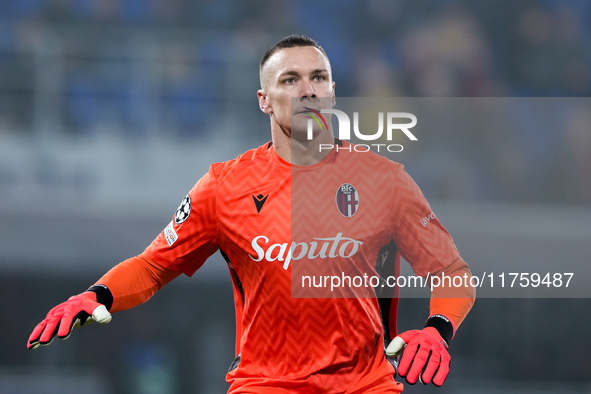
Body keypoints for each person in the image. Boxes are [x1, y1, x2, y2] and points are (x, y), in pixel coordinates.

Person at [28, 35, 475, 393]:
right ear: (264, 99)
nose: (307, 89)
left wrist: (438, 328)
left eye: (319, 77)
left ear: (332, 91)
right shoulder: (225, 186)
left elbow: (452, 271)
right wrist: (97, 295)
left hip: (364, 386)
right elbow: (153, 265)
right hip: (265, 385)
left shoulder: (386, 180)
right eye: (290, 79)